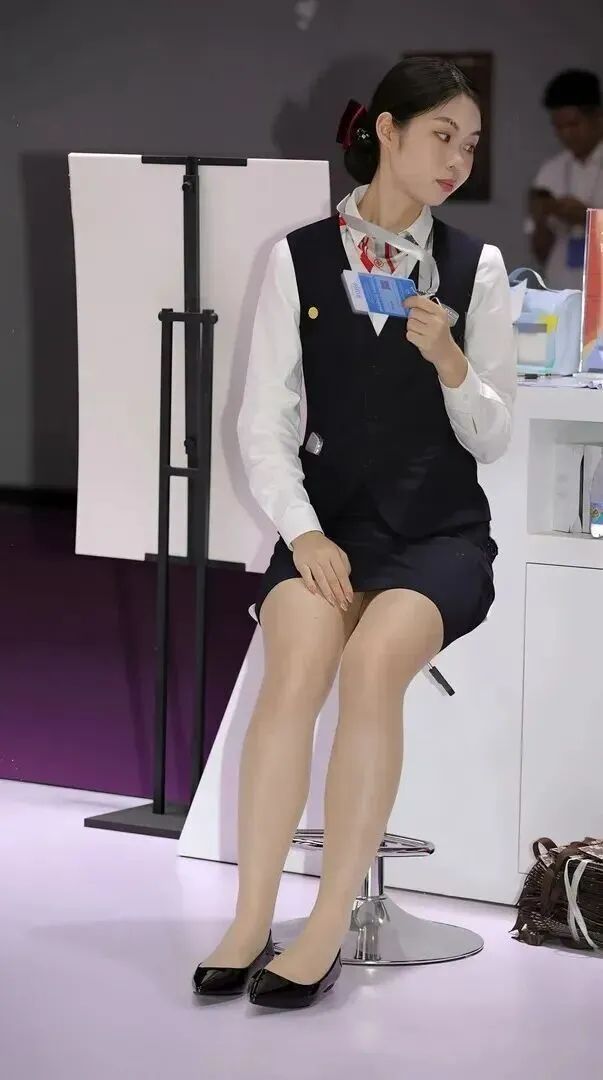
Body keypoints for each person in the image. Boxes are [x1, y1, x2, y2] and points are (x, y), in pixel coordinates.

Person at [192, 55, 516, 1010]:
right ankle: (250, 919)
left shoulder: (476, 268)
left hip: (438, 536)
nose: (455, 160)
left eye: (469, 146)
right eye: (440, 136)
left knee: (371, 667)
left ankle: (327, 924)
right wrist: (303, 535)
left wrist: (452, 362)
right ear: (385, 130)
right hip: (328, 530)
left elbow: (494, 436)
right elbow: (261, 425)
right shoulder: (295, 257)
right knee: (293, 665)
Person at [528, 69, 603, 289]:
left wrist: (587, 219)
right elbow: (540, 253)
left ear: (598, 117)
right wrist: (540, 218)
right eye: (559, 127)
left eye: (573, 125)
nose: (566, 134)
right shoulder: (550, 170)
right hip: (561, 288)